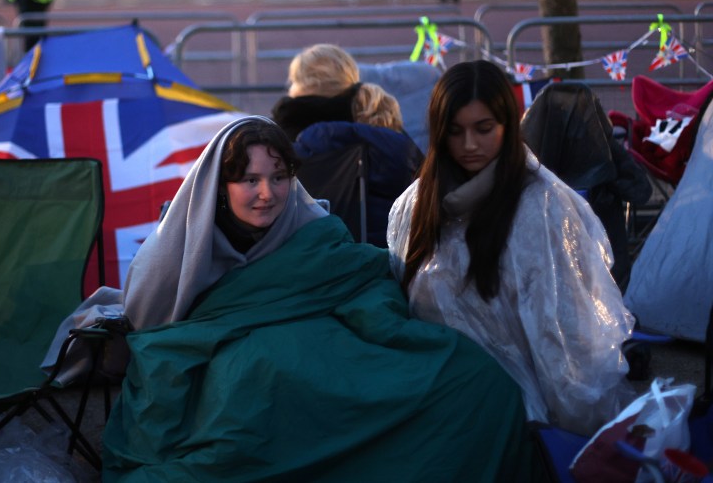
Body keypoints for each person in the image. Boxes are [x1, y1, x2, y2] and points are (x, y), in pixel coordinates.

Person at [104, 116, 534, 481]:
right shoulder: (174, 252)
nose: (267, 194)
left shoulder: (309, 226)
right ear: (220, 185)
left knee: (472, 377)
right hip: (243, 387)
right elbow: (157, 338)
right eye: (249, 180)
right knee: (252, 382)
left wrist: (379, 322)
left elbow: (359, 280)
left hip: (327, 370)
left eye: (278, 177)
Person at [386, 60, 636, 437]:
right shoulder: (416, 204)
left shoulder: (543, 206)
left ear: (509, 123)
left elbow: (566, 336)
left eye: (484, 129)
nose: (470, 145)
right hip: (437, 397)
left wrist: (579, 422)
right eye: (455, 132)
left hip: (518, 414)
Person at [294, 82, 423, 247]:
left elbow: (313, 138)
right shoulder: (407, 149)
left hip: (356, 246)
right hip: (399, 246)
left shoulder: (348, 138)